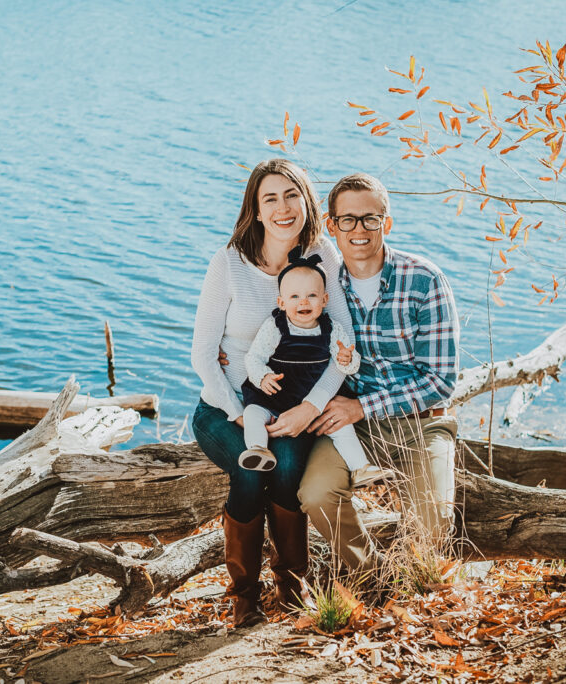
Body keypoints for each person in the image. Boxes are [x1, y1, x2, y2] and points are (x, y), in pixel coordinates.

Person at [190, 159, 354, 627]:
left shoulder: (322, 254)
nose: (283, 208)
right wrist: (239, 411)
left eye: (291, 195)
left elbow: (342, 346)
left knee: (285, 473)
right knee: (249, 473)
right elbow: (203, 353)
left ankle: (292, 587)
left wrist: (310, 408)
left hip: (293, 410)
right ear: (256, 210)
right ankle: (244, 597)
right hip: (224, 406)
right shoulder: (229, 263)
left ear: (307, 202)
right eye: (270, 199)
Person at [297, 173, 460, 578]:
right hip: (353, 428)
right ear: (331, 225)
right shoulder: (324, 287)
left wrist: (362, 407)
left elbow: (440, 382)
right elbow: (285, 333)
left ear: (387, 222)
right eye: (347, 219)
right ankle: (373, 577)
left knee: (435, 521)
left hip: (422, 423)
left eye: (370, 218)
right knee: (316, 494)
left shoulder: (424, 280)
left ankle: (417, 583)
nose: (359, 230)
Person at [237, 247, 391, 490]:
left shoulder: (332, 329)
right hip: (273, 394)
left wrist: (346, 358)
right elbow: (254, 358)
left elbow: (349, 366)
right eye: (295, 296)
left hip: (310, 398)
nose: (304, 302)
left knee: (341, 427)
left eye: (312, 295)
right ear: (281, 302)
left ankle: (360, 468)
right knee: (253, 414)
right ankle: (258, 448)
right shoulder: (275, 326)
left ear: (324, 300)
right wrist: (263, 376)